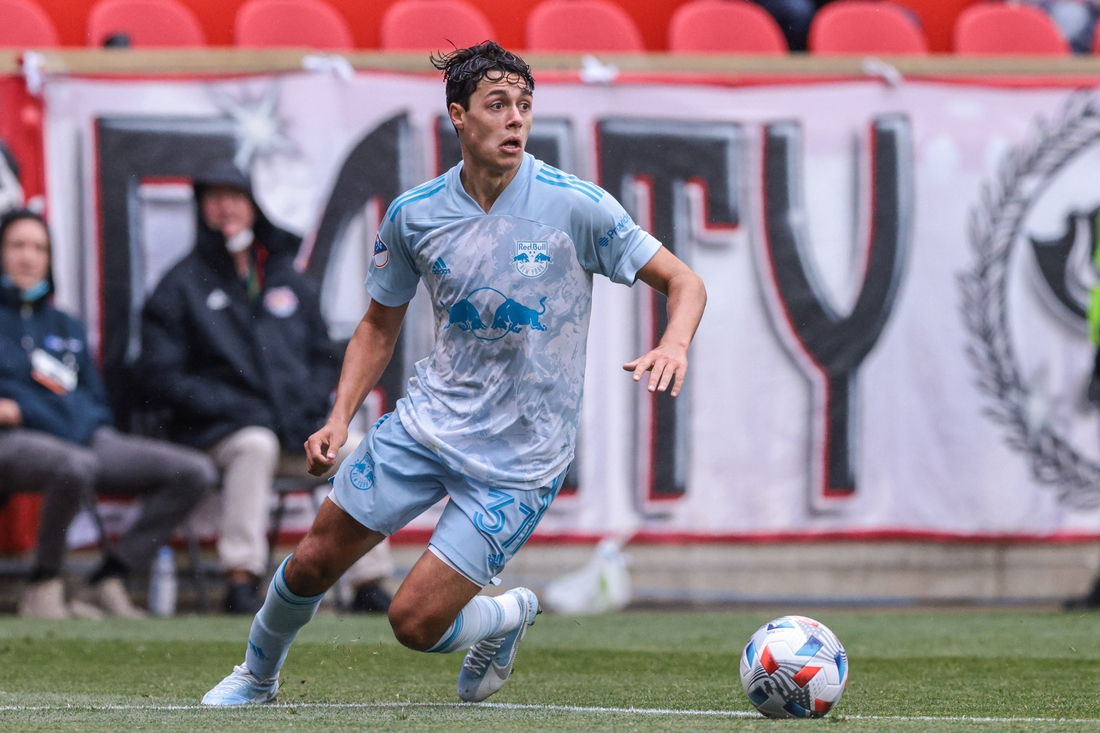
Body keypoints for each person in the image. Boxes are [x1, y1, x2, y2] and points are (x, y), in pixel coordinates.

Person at [201, 41, 707, 705]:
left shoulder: (577, 206)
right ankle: (257, 676)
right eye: (498, 105)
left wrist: (674, 341)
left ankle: (505, 613)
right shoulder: (415, 215)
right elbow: (377, 325)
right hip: (426, 426)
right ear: (458, 117)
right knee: (313, 559)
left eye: (524, 106)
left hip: (519, 461)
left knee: (413, 622)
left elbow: (683, 279)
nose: (515, 119)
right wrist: (337, 416)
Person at [138, 162, 395, 614]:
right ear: (200, 210)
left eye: (234, 196)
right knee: (255, 445)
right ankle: (241, 579)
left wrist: (312, 405)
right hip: (221, 434)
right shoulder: (180, 287)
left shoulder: (289, 281)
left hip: (294, 429)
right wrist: (236, 408)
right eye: (213, 198)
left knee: (356, 448)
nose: (225, 208)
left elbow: (324, 358)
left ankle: (367, 581)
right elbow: (161, 377)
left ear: (255, 206)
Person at [0, 209, 215, 619]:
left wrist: (62, 417)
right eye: (17, 246)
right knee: (75, 465)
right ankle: (42, 583)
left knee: (195, 471)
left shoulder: (66, 326)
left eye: (39, 248)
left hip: (84, 437)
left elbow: (95, 401)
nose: (28, 256)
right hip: (15, 443)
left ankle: (106, 578)